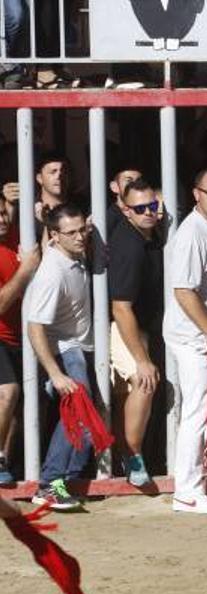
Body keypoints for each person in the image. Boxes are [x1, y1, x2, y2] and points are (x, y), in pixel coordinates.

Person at [163, 167, 207, 515]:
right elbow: (183, 292)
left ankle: (202, 472)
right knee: (197, 410)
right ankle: (187, 491)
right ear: (196, 194)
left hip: (204, 336)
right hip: (195, 337)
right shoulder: (192, 234)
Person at [24, 204, 94, 511]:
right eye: (72, 232)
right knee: (76, 407)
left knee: (85, 412)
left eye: (83, 229)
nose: (80, 237)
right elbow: (35, 326)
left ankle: (66, 478)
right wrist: (55, 373)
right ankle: (50, 483)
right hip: (64, 350)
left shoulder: (73, 257)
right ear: (55, 236)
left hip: (77, 347)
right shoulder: (52, 273)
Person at [107, 177, 164, 488]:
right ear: (126, 211)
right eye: (140, 208)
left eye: (152, 206)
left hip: (141, 324)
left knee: (126, 396)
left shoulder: (151, 234)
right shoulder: (130, 246)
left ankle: (125, 455)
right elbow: (121, 308)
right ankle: (133, 457)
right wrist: (142, 359)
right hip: (124, 324)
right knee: (144, 382)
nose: (148, 212)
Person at [0, 201, 38, 485]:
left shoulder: (18, 236)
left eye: (3, 212)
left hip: (22, 336)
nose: (2, 219)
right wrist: (24, 272)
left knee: (17, 409)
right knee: (7, 393)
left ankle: (5, 464)